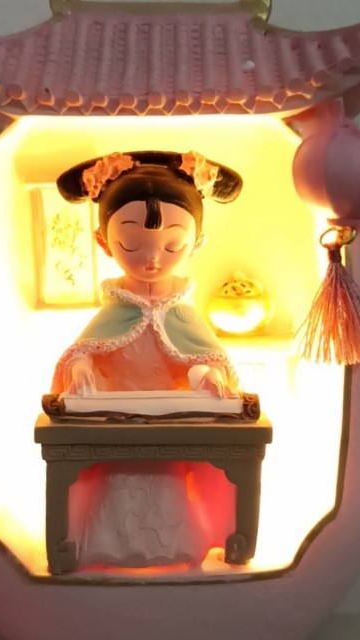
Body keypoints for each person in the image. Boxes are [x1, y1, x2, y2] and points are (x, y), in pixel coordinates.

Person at [52, 150, 243, 568]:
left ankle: (173, 550)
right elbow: (86, 351)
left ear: (197, 242)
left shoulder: (183, 315)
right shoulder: (113, 313)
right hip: (118, 419)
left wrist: (207, 374)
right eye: (131, 243)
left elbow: (199, 356)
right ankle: (110, 549)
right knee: (117, 487)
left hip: (168, 421)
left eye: (173, 244)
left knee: (167, 488)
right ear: (104, 242)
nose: (153, 257)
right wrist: (81, 368)